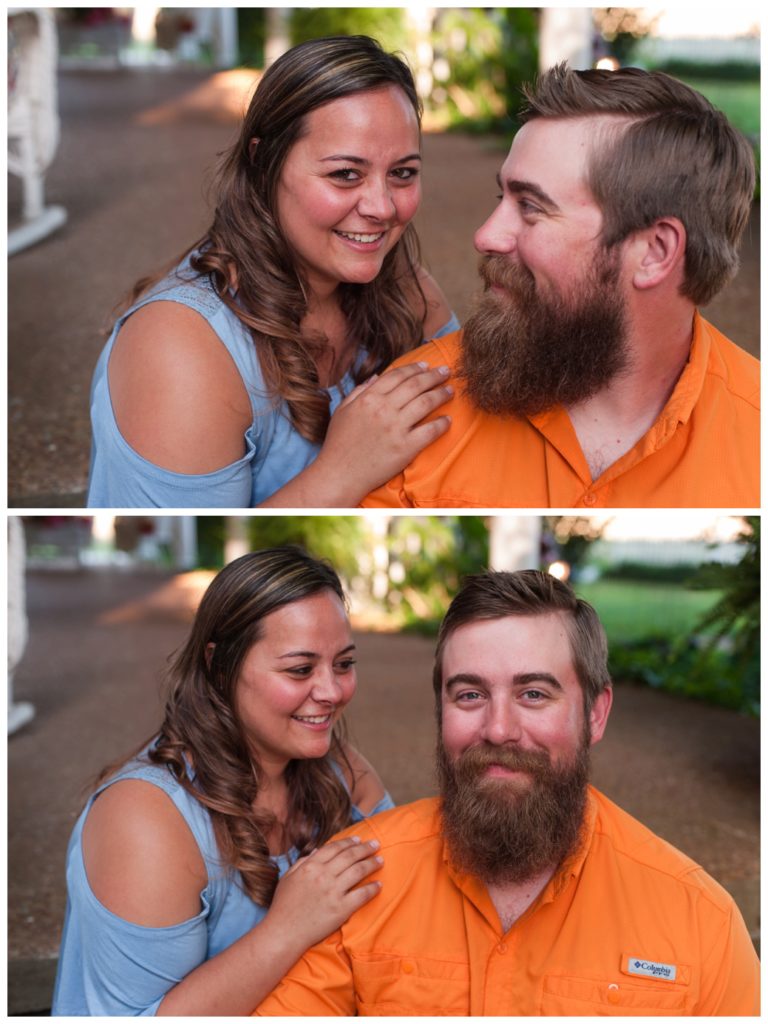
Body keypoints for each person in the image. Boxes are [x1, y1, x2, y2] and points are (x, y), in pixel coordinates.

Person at [255, 569, 760, 1016]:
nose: (499, 729)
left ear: (595, 713)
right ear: (441, 712)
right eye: (470, 695)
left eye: (533, 694)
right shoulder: (353, 884)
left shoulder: (699, 920)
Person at [362, 64, 759, 509]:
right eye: (503, 198)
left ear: (654, 252)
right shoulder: (407, 415)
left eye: (531, 206)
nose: (486, 236)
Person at [87, 35, 457, 508]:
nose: (383, 208)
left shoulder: (407, 290)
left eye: (402, 173)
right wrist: (344, 471)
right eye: (345, 174)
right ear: (264, 162)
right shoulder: (179, 348)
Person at [52, 546, 392, 1015]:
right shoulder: (144, 818)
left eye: (344, 664)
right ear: (219, 665)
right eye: (300, 669)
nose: (332, 691)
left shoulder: (343, 773)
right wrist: (287, 930)